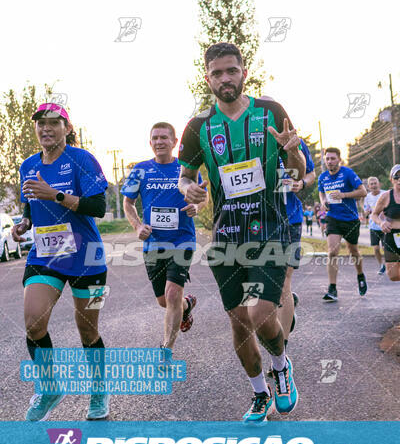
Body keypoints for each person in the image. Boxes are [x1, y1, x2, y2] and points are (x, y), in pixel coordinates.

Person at [178, 42, 306, 422]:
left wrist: (293, 153)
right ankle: (259, 394)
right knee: (238, 322)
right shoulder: (199, 126)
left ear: (244, 72)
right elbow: (185, 175)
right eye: (217, 73)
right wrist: (191, 189)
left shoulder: (270, 111)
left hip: (270, 229)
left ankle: (281, 367)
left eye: (231, 71)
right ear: (207, 78)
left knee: (261, 313)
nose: (225, 79)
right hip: (226, 236)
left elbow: (296, 174)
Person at [12, 102, 109, 421]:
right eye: (40, 123)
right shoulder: (28, 165)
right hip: (46, 253)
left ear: (68, 128)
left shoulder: (82, 160)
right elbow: (29, 203)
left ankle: (98, 390)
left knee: (88, 332)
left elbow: (98, 206)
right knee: (33, 321)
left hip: (86, 256)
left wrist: (53, 194)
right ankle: (50, 385)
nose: (45, 128)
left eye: (54, 122)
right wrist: (24, 223)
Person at [122, 122, 208, 352]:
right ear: (150, 143)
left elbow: (203, 197)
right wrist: (137, 226)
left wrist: (197, 208)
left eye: (164, 138)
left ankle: (165, 349)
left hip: (182, 240)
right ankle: (187, 305)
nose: (159, 142)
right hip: (153, 242)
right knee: (164, 300)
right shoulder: (140, 169)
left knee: (172, 293)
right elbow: (127, 203)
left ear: (174, 142)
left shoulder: (185, 168)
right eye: (155, 138)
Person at [277, 140, 315, 352]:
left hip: (290, 220)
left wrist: (302, 184)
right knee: (266, 287)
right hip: (258, 223)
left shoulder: (295, 142)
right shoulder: (246, 139)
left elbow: (311, 173)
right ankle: (286, 307)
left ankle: (281, 350)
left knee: (284, 283)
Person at [318, 147, 367, 302]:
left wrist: (344, 195)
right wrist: (323, 202)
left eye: (333, 158)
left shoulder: (348, 173)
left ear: (339, 159)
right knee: (332, 252)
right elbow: (321, 192)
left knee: (353, 251)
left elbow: (363, 191)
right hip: (333, 218)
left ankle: (360, 274)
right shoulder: (323, 177)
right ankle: (332, 288)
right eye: (327, 158)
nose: (330, 161)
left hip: (350, 219)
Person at [371, 165, 400, 281]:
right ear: (391, 179)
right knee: (392, 276)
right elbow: (374, 214)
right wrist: (381, 223)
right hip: (391, 237)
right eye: (396, 177)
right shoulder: (385, 196)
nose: (399, 180)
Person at [364, 176, 386, 274]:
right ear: (368, 186)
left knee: (386, 248)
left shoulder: (385, 194)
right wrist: (367, 212)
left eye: (375, 183)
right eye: (371, 184)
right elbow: (365, 211)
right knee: (376, 249)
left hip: (385, 226)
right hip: (373, 227)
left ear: (379, 184)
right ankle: (382, 265)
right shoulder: (367, 197)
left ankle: (390, 264)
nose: (373, 185)